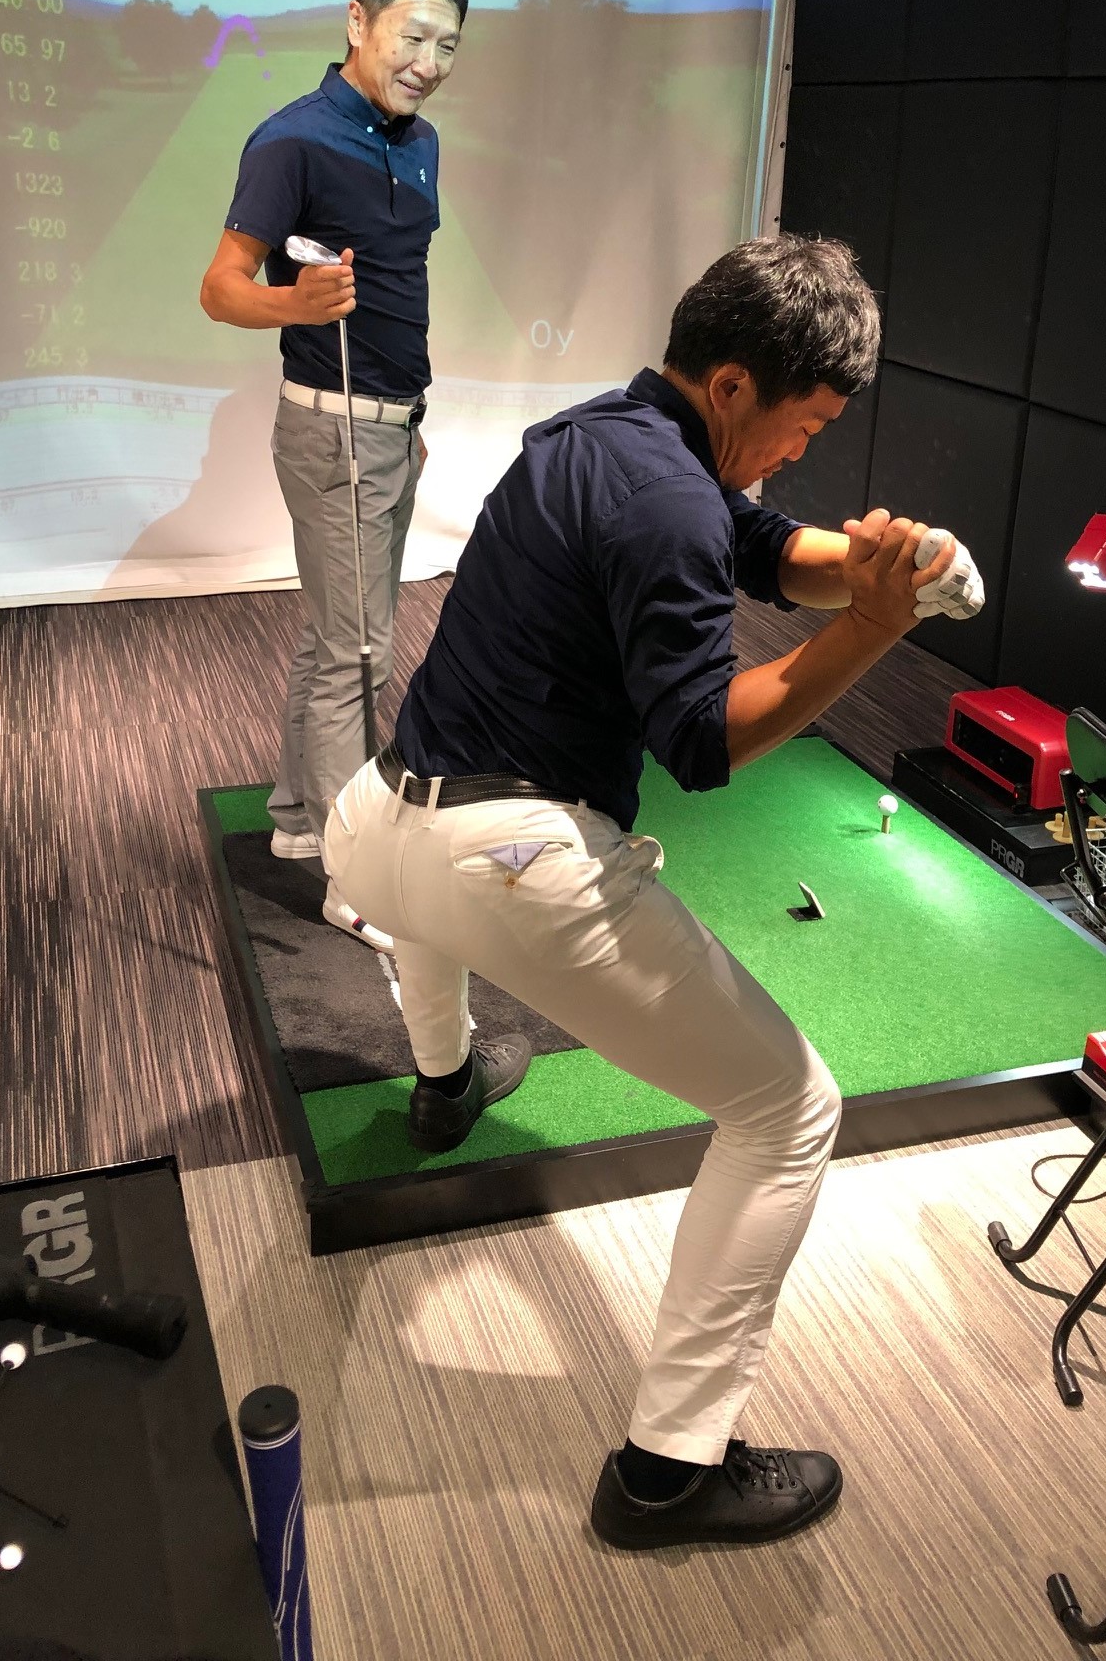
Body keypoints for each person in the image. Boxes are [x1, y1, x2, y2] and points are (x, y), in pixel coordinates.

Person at [325, 234, 983, 1550]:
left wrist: (877, 566)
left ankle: (446, 1084)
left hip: (375, 823)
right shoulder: (670, 498)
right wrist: (872, 627)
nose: (801, 452)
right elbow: (703, 740)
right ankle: (670, 1470)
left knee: (431, 902)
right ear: (733, 386)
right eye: (804, 424)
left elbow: (758, 544)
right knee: (789, 1110)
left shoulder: (597, 435)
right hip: (512, 862)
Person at [200, 0, 468, 953]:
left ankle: (298, 821)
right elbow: (220, 287)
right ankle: (354, 877)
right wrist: (295, 302)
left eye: (448, 46)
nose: (428, 64)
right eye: (412, 37)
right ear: (358, 21)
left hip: (395, 427)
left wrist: (413, 423)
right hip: (333, 431)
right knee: (357, 650)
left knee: (337, 637)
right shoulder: (292, 141)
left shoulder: (422, 142)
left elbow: (400, 287)